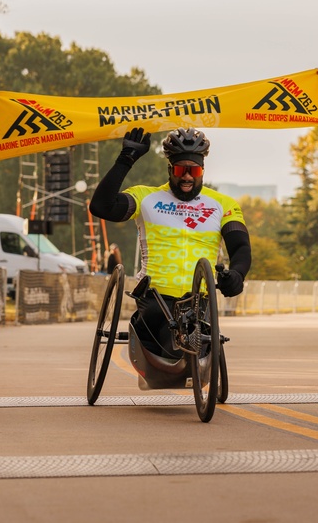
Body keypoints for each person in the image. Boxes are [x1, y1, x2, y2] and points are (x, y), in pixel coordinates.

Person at [89, 127, 251, 364]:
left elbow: (240, 248)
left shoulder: (222, 204)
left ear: (202, 170)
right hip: (155, 299)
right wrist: (126, 159)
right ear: (170, 169)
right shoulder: (146, 198)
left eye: (193, 170)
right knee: (172, 339)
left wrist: (237, 274)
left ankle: (191, 351)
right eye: (180, 170)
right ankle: (173, 353)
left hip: (199, 299)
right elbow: (101, 207)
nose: (187, 177)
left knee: (190, 333)